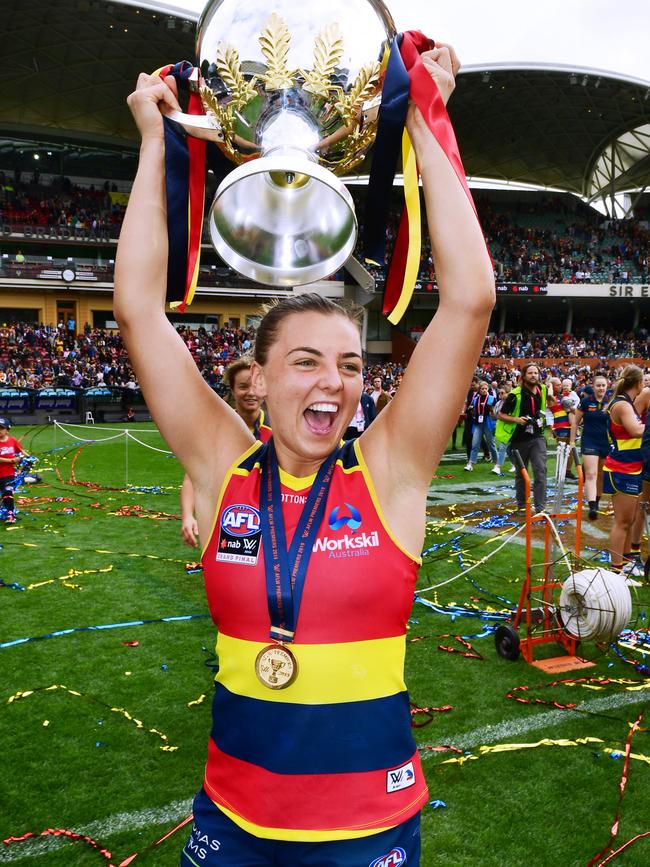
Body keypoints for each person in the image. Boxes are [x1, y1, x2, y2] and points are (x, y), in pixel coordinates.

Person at [115, 43, 494, 867]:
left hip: (366, 831)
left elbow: (470, 298)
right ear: (256, 380)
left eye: (352, 365)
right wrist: (154, 141)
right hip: (231, 824)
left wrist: (425, 116)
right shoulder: (223, 466)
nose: (336, 384)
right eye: (308, 361)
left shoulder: (388, 469)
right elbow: (139, 309)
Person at [181, 356, 272, 547]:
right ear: (232, 389)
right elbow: (192, 477)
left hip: (270, 518)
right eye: (243, 386)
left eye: (256, 385)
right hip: (227, 517)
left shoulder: (279, 430)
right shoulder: (218, 430)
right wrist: (188, 516)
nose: (251, 392)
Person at [603, 365, 645, 575]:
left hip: (631, 467)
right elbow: (636, 430)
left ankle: (627, 563)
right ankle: (616, 572)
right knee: (622, 522)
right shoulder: (622, 405)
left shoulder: (626, 403)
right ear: (638, 383)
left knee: (630, 519)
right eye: (644, 381)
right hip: (622, 469)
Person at [495, 363, 549, 514]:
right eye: (530, 373)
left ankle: (540, 507)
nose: (533, 376)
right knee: (521, 473)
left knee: (540, 471)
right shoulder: (515, 394)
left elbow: (546, 404)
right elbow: (501, 415)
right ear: (524, 376)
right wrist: (517, 420)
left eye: (536, 373)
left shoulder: (542, 390)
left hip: (537, 436)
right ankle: (522, 506)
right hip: (519, 439)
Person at [570, 375, 609, 520]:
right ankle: (592, 506)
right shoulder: (586, 402)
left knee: (601, 474)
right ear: (593, 387)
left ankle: (597, 502)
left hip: (606, 443)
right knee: (591, 474)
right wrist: (572, 441)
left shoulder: (611, 401)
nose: (600, 388)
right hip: (590, 441)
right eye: (598, 385)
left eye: (603, 385)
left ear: (607, 386)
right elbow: (575, 422)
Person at [464, 380, 498, 472]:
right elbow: (475, 411)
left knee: (492, 445)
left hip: (488, 423)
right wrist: (472, 411)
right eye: (482, 389)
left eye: (486, 389)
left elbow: (495, 415)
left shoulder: (492, 398)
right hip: (478, 423)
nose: (484, 390)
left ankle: (496, 465)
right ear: (479, 390)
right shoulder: (476, 400)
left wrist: (491, 409)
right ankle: (470, 463)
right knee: (474, 444)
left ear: (488, 389)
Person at [0, 417, 27, 523]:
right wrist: (11, 460)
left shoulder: (12, 440)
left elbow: (21, 451)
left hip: (9, 474)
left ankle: (10, 515)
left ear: (7, 430)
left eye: (1, 428)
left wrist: (30, 458)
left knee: (8, 493)